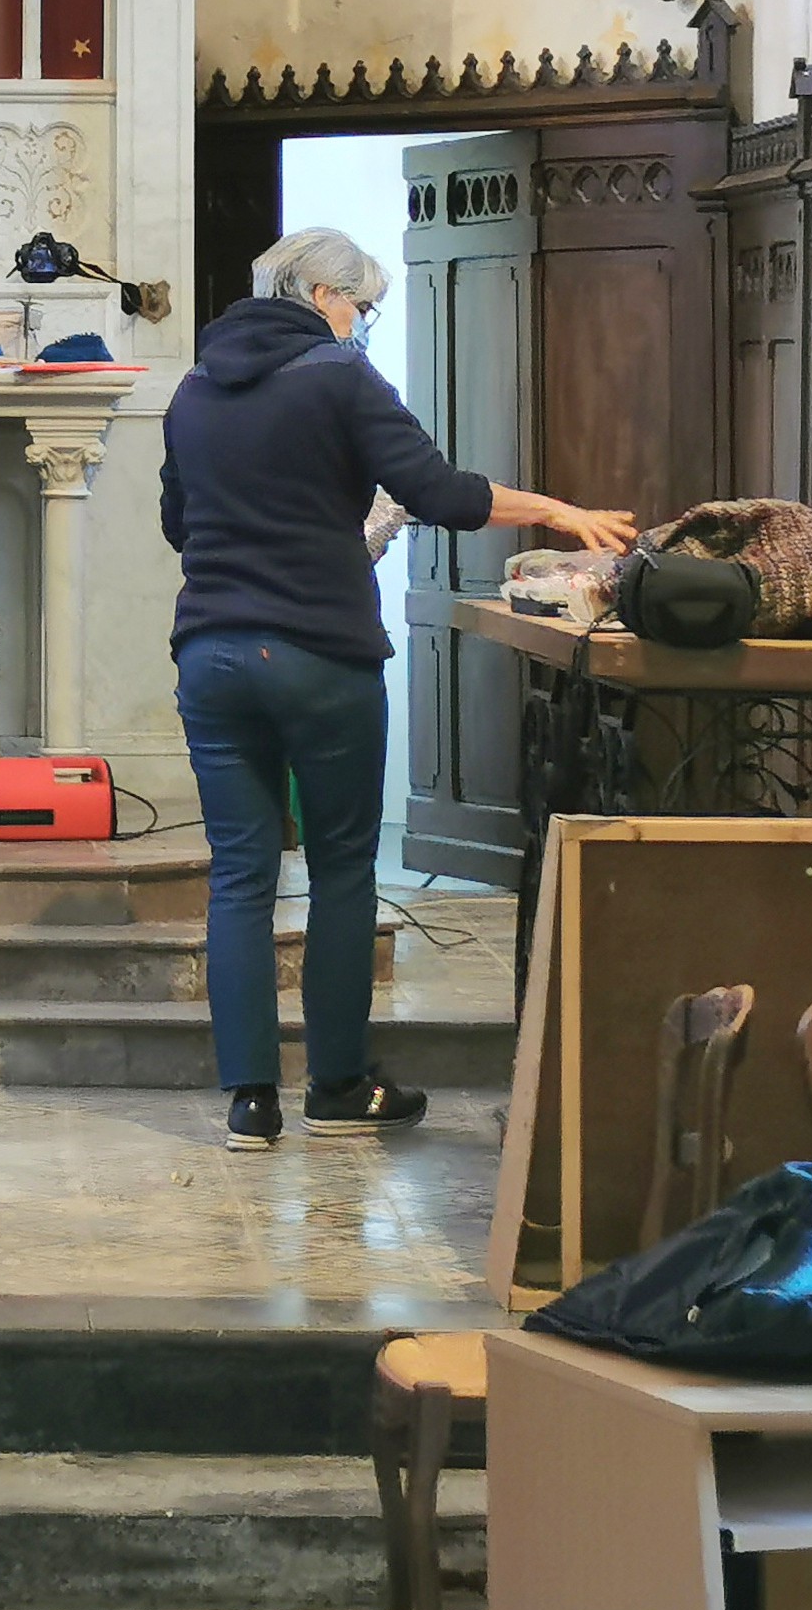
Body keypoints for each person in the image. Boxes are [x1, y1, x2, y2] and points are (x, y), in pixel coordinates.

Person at [162, 227, 637, 1152]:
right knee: (342, 867)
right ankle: (338, 1089)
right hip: (315, 653)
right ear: (316, 292)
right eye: (360, 305)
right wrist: (552, 509)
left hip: (210, 655)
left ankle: (250, 1104)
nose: (361, 323)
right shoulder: (338, 375)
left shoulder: (191, 387)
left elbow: (180, 521)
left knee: (240, 873)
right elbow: (440, 491)